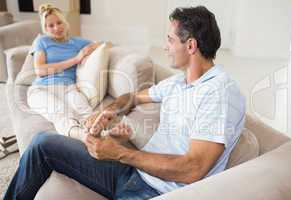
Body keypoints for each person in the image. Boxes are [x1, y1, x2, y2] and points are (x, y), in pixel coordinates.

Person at [4, 5, 246, 200]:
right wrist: (109, 111)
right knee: (43, 143)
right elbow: (132, 97)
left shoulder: (218, 93)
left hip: (156, 192)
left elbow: (194, 169)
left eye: (170, 40)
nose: (165, 47)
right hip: (134, 172)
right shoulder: (179, 83)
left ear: (190, 45)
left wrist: (120, 153)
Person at [27, 4, 102, 141]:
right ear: (45, 28)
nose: (56, 28)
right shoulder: (42, 41)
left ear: (65, 22)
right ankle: (85, 138)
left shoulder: (77, 42)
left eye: (59, 22)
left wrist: (91, 48)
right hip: (41, 88)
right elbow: (40, 70)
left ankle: (102, 136)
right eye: (51, 25)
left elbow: (102, 45)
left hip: (68, 88)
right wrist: (76, 59)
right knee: (60, 111)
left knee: (85, 111)